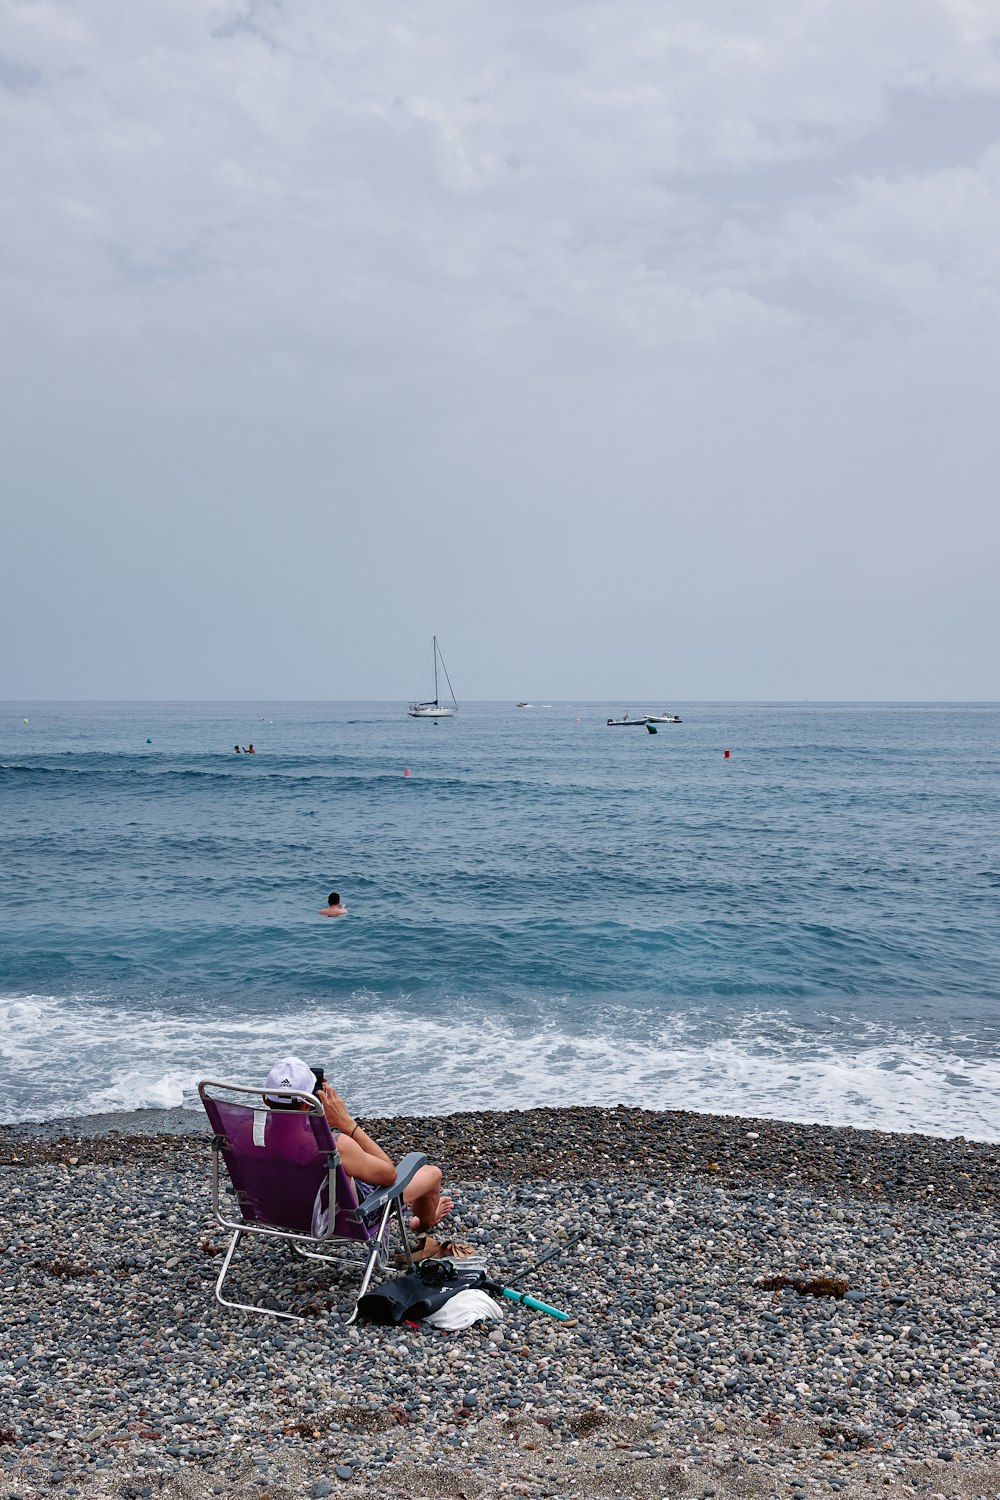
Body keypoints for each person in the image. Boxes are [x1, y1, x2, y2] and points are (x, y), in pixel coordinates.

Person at [263, 1056, 453, 1233]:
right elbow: (390, 1177)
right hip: (342, 1220)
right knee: (432, 1173)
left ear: (265, 1098)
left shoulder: (247, 1135)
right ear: (309, 1102)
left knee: (348, 1171)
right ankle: (425, 1223)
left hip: (283, 1214)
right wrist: (346, 1123)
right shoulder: (335, 1145)